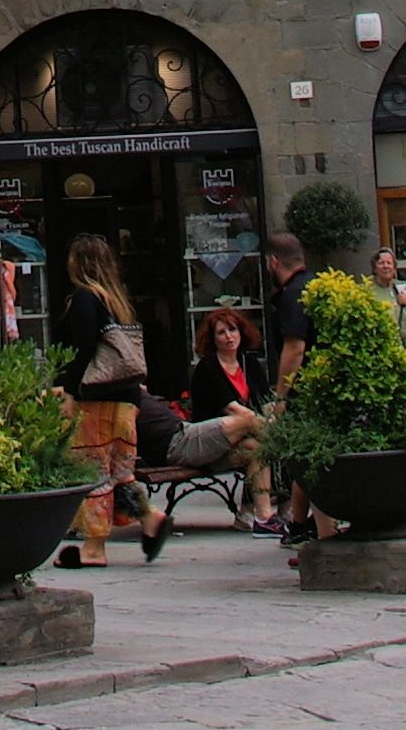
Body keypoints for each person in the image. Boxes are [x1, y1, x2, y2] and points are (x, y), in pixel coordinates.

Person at [49, 233, 154, 565]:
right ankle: (151, 519)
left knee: (92, 471)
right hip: (126, 401)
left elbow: (83, 349)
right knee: (122, 472)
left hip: (96, 400)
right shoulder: (117, 301)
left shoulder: (85, 298)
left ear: (78, 263)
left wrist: (69, 390)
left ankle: (94, 547)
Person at [169, 307, 275, 526]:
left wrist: (273, 418)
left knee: (257, 447)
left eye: (233, 329)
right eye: (221, 332)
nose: (229, 336)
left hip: (247, 438)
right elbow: (235, 411)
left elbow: (267, 403)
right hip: (213, 445)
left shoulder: (250, 363)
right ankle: (264, 517)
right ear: (212, 338)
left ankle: (261, 515)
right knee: (273, 444)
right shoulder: (207, 368)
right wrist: (275, 431)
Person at [255, 229, 314, 538]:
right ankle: (301, 525)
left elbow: (295, 348)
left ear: (273, 262)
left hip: (307, 392)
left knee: (308, 460)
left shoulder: (292, 294)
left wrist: (280, 396)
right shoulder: (317, 284)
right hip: (325, 386)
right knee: (302, 460)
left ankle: (318, 531)